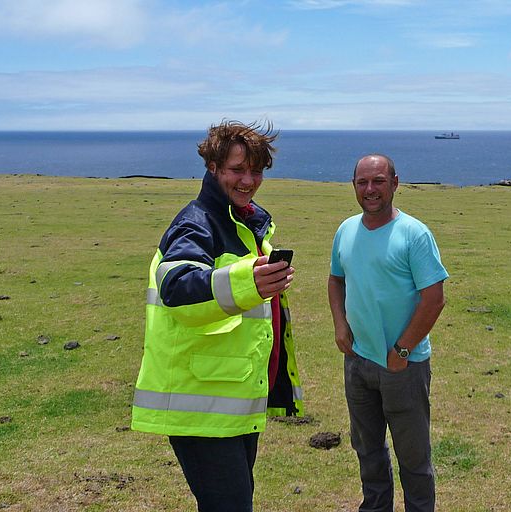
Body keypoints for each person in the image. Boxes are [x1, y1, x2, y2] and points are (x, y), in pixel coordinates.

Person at [131, 120, 304, 512]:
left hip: (229, 401)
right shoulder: (197, 223)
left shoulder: (244, 224)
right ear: (213, 168)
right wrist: (250, 283)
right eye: (237, 170)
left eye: (256, 171)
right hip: (201, 406)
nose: (248, 181)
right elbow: (177, 286)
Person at [328, 154, 448, 512]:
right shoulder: (346, 230)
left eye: (378, 181)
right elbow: (336, 279)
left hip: (403, 368)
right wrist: (340, 324)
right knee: (367, 450)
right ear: (353, 186)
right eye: (362, 182)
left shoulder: (414, 234)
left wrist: (403, 350)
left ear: (395, 183)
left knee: (413, 458)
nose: (370, 190)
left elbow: (434, 298)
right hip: (358, 362)